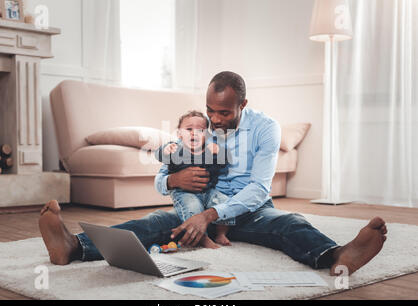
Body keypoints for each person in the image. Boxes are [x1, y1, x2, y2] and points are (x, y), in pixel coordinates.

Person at [39, 71, 388, 277]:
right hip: (201, 205)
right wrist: (174, 182)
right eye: (210, 110)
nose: (215, 120)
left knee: (289, 223)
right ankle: (73, 248)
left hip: (247, 210)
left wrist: (209, 216)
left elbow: (258, 189)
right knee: (155, 221)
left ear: (243, 106)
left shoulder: (266, 129)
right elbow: (165, 175)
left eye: (224, 112)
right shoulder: (200, 129)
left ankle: (337, 255)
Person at [154, 110, 233, 248]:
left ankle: (221, 233)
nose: (194, 133)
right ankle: (202, 238)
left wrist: (219, 152)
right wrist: (165, 149)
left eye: (200, 130)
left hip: (208, 192)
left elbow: (225, 162)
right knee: (192, 207)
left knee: (225, 202)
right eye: (189, 129)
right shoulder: (175, 148)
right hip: (184, 193)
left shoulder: (210, 149)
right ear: (179, 134)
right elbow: (160, 155)